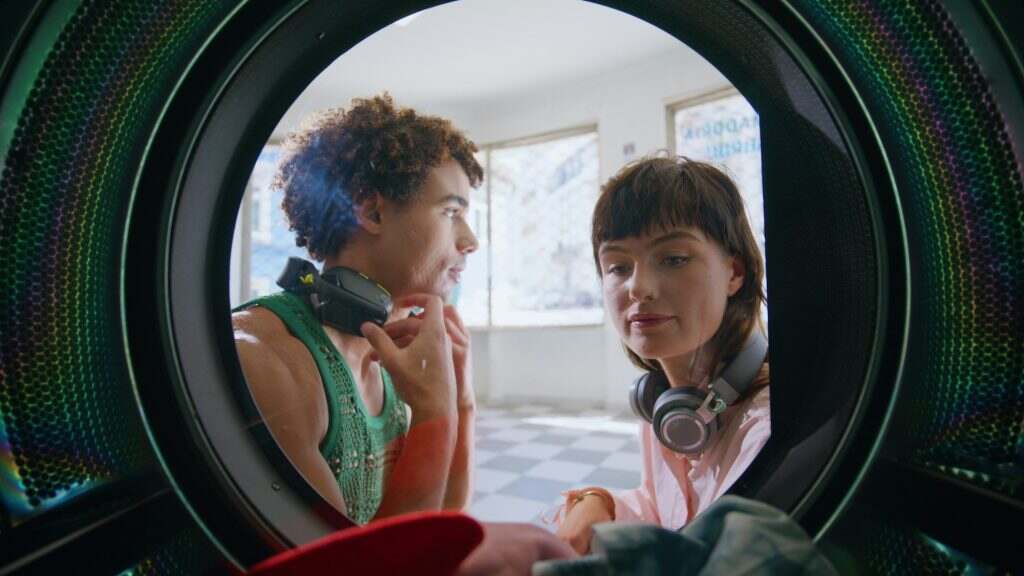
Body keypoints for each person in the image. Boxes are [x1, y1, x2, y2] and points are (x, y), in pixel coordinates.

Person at [232, 94, 480, 524]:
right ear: (372, 212)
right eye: (450, 212)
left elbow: (447, 514)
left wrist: (460, 398)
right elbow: (366, 567)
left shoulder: (395, 343)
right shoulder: (266, 362)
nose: (471, 240)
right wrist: (434, 413)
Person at [553, 156, 772, 554]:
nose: (638, 287)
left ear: (734, 273)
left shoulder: (763, 430)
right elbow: (666, 512)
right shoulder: (672, 407)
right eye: (618, 266)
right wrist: (599, 502)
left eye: (673, 259)